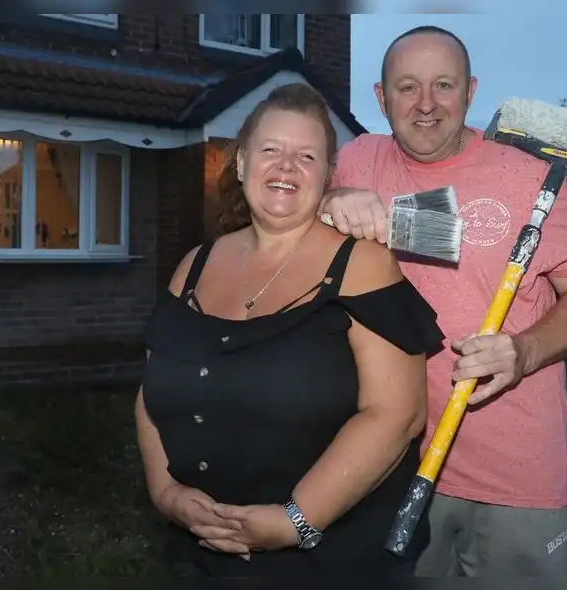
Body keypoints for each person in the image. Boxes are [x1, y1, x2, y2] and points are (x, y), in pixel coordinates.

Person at [320, 26, 567, 577]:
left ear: (471, 91)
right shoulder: (358, 160)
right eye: (407, 88)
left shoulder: (527, 181)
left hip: (516, 478)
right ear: (381, 98)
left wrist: (524, 352)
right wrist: (333, 198)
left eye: (443, 85)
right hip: (387, 459)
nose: (427, 104)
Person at [133, 82, 446, 579]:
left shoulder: (363, 265)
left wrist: (294, 521)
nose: (286, 167)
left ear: (326, 176)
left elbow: (396, 416)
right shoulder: (193, 267)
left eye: (306, 156)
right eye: (271, 150)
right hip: (199, 555)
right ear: (240, 165)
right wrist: (166, 494)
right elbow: (150, 395)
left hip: (328, 561)